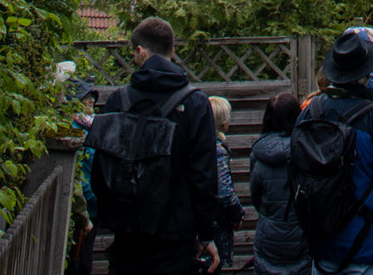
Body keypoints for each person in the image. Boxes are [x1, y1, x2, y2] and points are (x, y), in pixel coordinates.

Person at [90, 16, 223, 275]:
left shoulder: (119, 100)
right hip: (176, 236)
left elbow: (102, 169)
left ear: (140, 51)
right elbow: (204, 177)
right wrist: (206, 234)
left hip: (129, 234)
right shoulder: (195, 103)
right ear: (172, 51)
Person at [295, 28, 373, 275]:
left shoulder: (311, 112)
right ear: (366, 74)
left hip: (323, 238)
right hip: (368, 239)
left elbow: (294, 168)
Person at [249, 91, 312, 275]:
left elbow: (256, 196)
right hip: (300, 232)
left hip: (269, 233)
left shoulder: (259, 154)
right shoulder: (308, 151)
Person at [208, 96, 245, 272]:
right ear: (224, 124)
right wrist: (238, 214)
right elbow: (224, 193)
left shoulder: (196, 145)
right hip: (215, 227)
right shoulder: (217, 151)